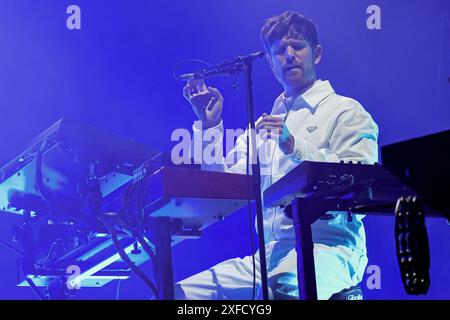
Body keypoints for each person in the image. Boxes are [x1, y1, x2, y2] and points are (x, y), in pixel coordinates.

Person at [176, 11, 378, 300]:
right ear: (270, 62)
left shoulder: (346, 111)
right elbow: (221, 187)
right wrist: (209, 126)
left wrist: (294, 145)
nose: (289, 55)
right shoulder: (264, 126)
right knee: (176, 295)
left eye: (297, 46)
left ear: (317, 54)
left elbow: (362, 180)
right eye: (280, 51)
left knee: (285, 287)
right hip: (269, 255)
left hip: (330, 248)